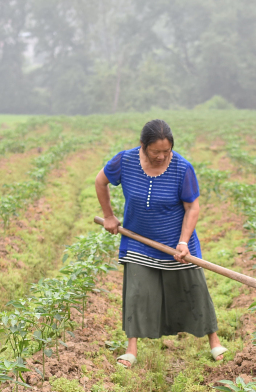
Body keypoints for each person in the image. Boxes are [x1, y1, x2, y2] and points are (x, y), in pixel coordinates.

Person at [95, 119, 226, 368]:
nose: (161, 156)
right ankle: (131, 349)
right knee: (136, 292)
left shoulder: (182, 168)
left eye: (166, 151)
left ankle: (214, 341)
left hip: (176, 245)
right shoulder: (124, 161)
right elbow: (100, 182)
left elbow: (192, 207)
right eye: (156, 151)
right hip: (138, 242)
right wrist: (109, 215)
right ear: (143, 146)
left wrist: (184, 242)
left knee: (195, 291)